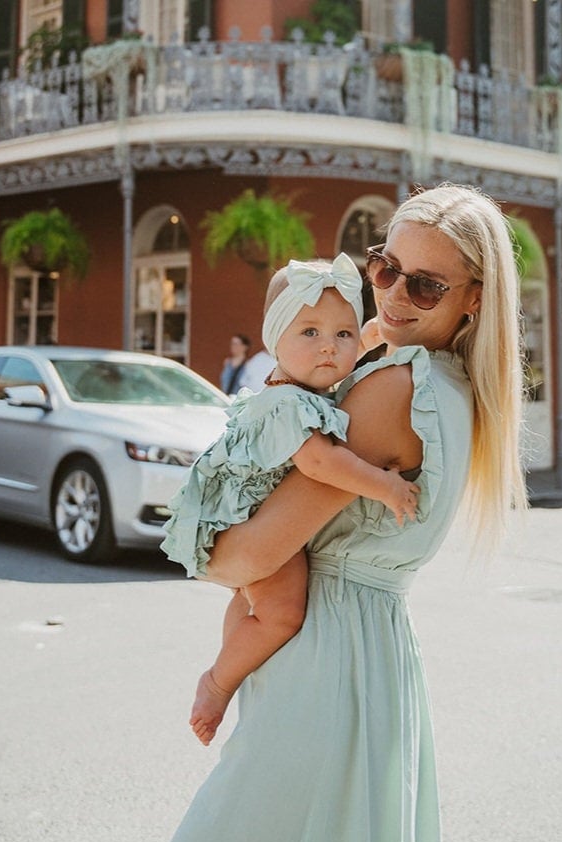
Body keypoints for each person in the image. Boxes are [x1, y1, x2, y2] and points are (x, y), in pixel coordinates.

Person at [134, 182, 529, 842]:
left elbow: (252, 553)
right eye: (386, 267)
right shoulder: (453, 389)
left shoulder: (391, 391)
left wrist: (208, 551)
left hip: (324, 657)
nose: (395, 293)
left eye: (426, 284)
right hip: (375, 657)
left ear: (474, 299)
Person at [161, 252, 419, 746]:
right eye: (309, 333)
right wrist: (384, 484)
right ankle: (217, 682)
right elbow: (322, 465)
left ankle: (234, 668)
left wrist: (376, 335)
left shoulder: (300, 383)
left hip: (246, 515)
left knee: (252, 600)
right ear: (274, 339)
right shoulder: (287, 403)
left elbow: (361, 339)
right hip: (246, 519)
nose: (330, 348)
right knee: (282, 613)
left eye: (341, 335)